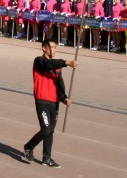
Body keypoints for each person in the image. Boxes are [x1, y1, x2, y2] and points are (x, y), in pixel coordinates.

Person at [23, 39, 78, 168]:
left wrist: (64, 98)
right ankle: (29, 147)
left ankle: (46, 158)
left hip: (54, 102)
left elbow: (59, 84)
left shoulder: (57, 67)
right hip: (42, 101)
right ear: (44, 48)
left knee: (51, 131)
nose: (54, 50)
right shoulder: (39, 61)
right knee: (45, 129)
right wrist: (66, 62)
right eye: (51, 47)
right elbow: (48, 64)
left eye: (55, 48)